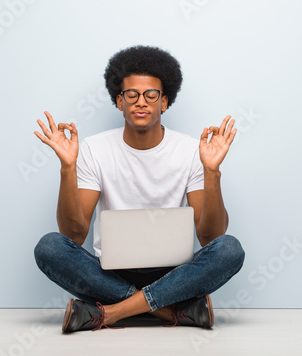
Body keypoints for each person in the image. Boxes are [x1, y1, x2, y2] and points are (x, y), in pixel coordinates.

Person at [33, 45, 245, 333]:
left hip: (174, 273)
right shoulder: (94, 149)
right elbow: (73, 235)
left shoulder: (191, 151)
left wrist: (212, 170)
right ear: (119, 102)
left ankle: (110, 313)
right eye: (131, 95)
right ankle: (169, 310)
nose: (140, 102)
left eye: (151, 95)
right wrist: (67, 167)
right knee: (49, 247)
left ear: (164, 102)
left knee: (229, 249)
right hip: (109, 272)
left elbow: (211, 237)